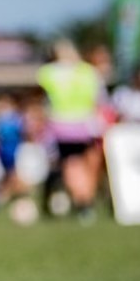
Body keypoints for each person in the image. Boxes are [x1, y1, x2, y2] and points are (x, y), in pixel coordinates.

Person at [36, 40, 103, 223]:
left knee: (72, 165)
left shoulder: (48, 72)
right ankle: (86, 201)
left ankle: (83, 203)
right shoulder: (88, 71)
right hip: (87, 125)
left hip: (62, 126)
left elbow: (42, 100)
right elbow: (99, 100)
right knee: (88, 165)